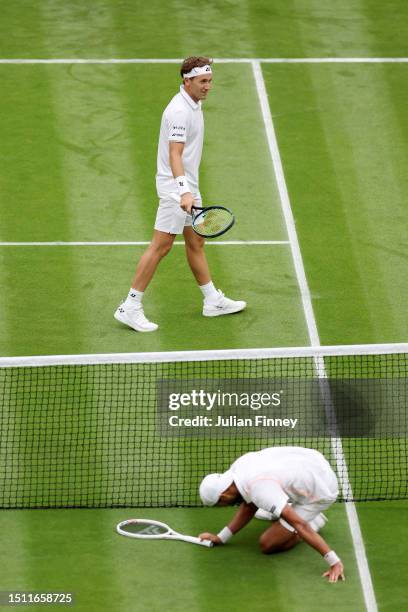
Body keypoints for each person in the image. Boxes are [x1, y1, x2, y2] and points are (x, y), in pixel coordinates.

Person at [114, 56, 246, 332]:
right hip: (177, 189)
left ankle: (212, 300)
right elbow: (175, 154)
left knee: (196, 242)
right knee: (160, 246)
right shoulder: (179, 112)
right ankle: (130, 306)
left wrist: (189, 189)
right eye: (202, 82)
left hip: (187, 186)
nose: (208, 86)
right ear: (187, 81)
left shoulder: (194, 104)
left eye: (210, 81)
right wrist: (184, 192)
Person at [198, 446, 345, 583]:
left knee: (268, 544)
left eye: (219, 504)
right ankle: (280, 506)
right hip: (311, 461)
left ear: (224, 495)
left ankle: (314, 521)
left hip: (320, 491)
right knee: (266, 501)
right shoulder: (238, 469)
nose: (222, 506)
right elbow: (249, 507)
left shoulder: (260, 490)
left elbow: (299, 524)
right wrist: (221, 538)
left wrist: (334, 561)